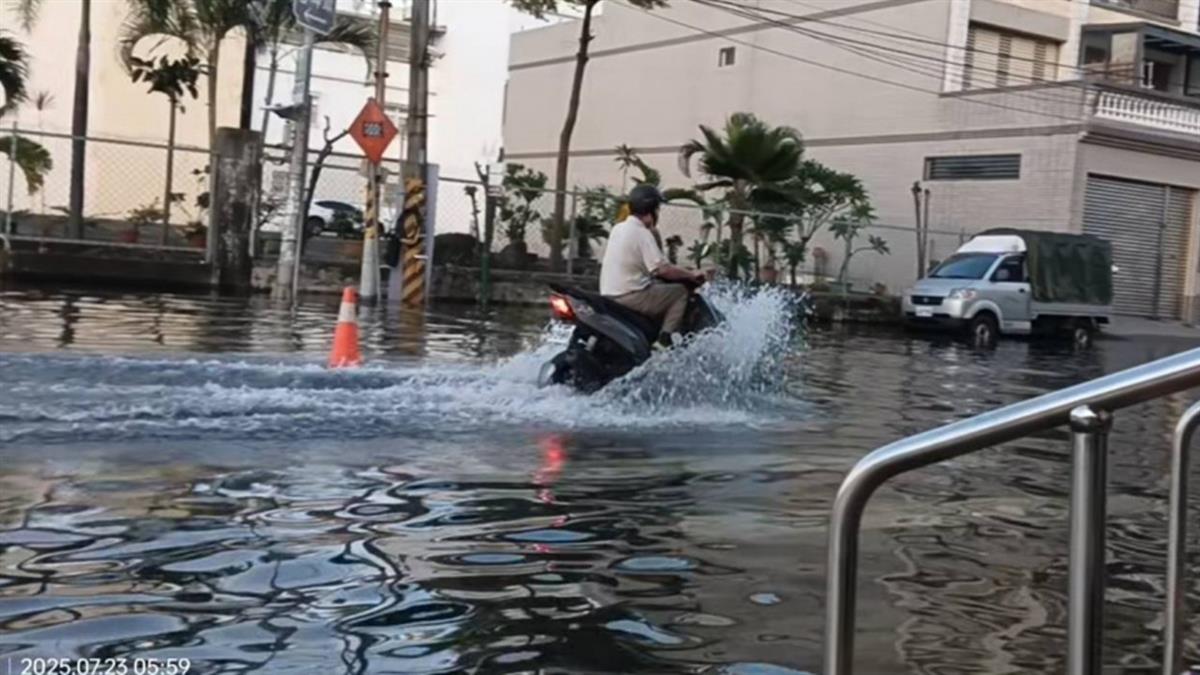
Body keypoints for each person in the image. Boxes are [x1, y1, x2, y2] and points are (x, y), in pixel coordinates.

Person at [599, 185, 706, 344]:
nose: (658, 214)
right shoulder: (642, 233)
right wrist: (692, 274)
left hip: (609, 293)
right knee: (680, 292)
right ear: (651, 211)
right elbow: (662, 269)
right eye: (657, 209)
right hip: (629, 296)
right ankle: (664, 340)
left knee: (659, 287)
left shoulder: (618, 228)